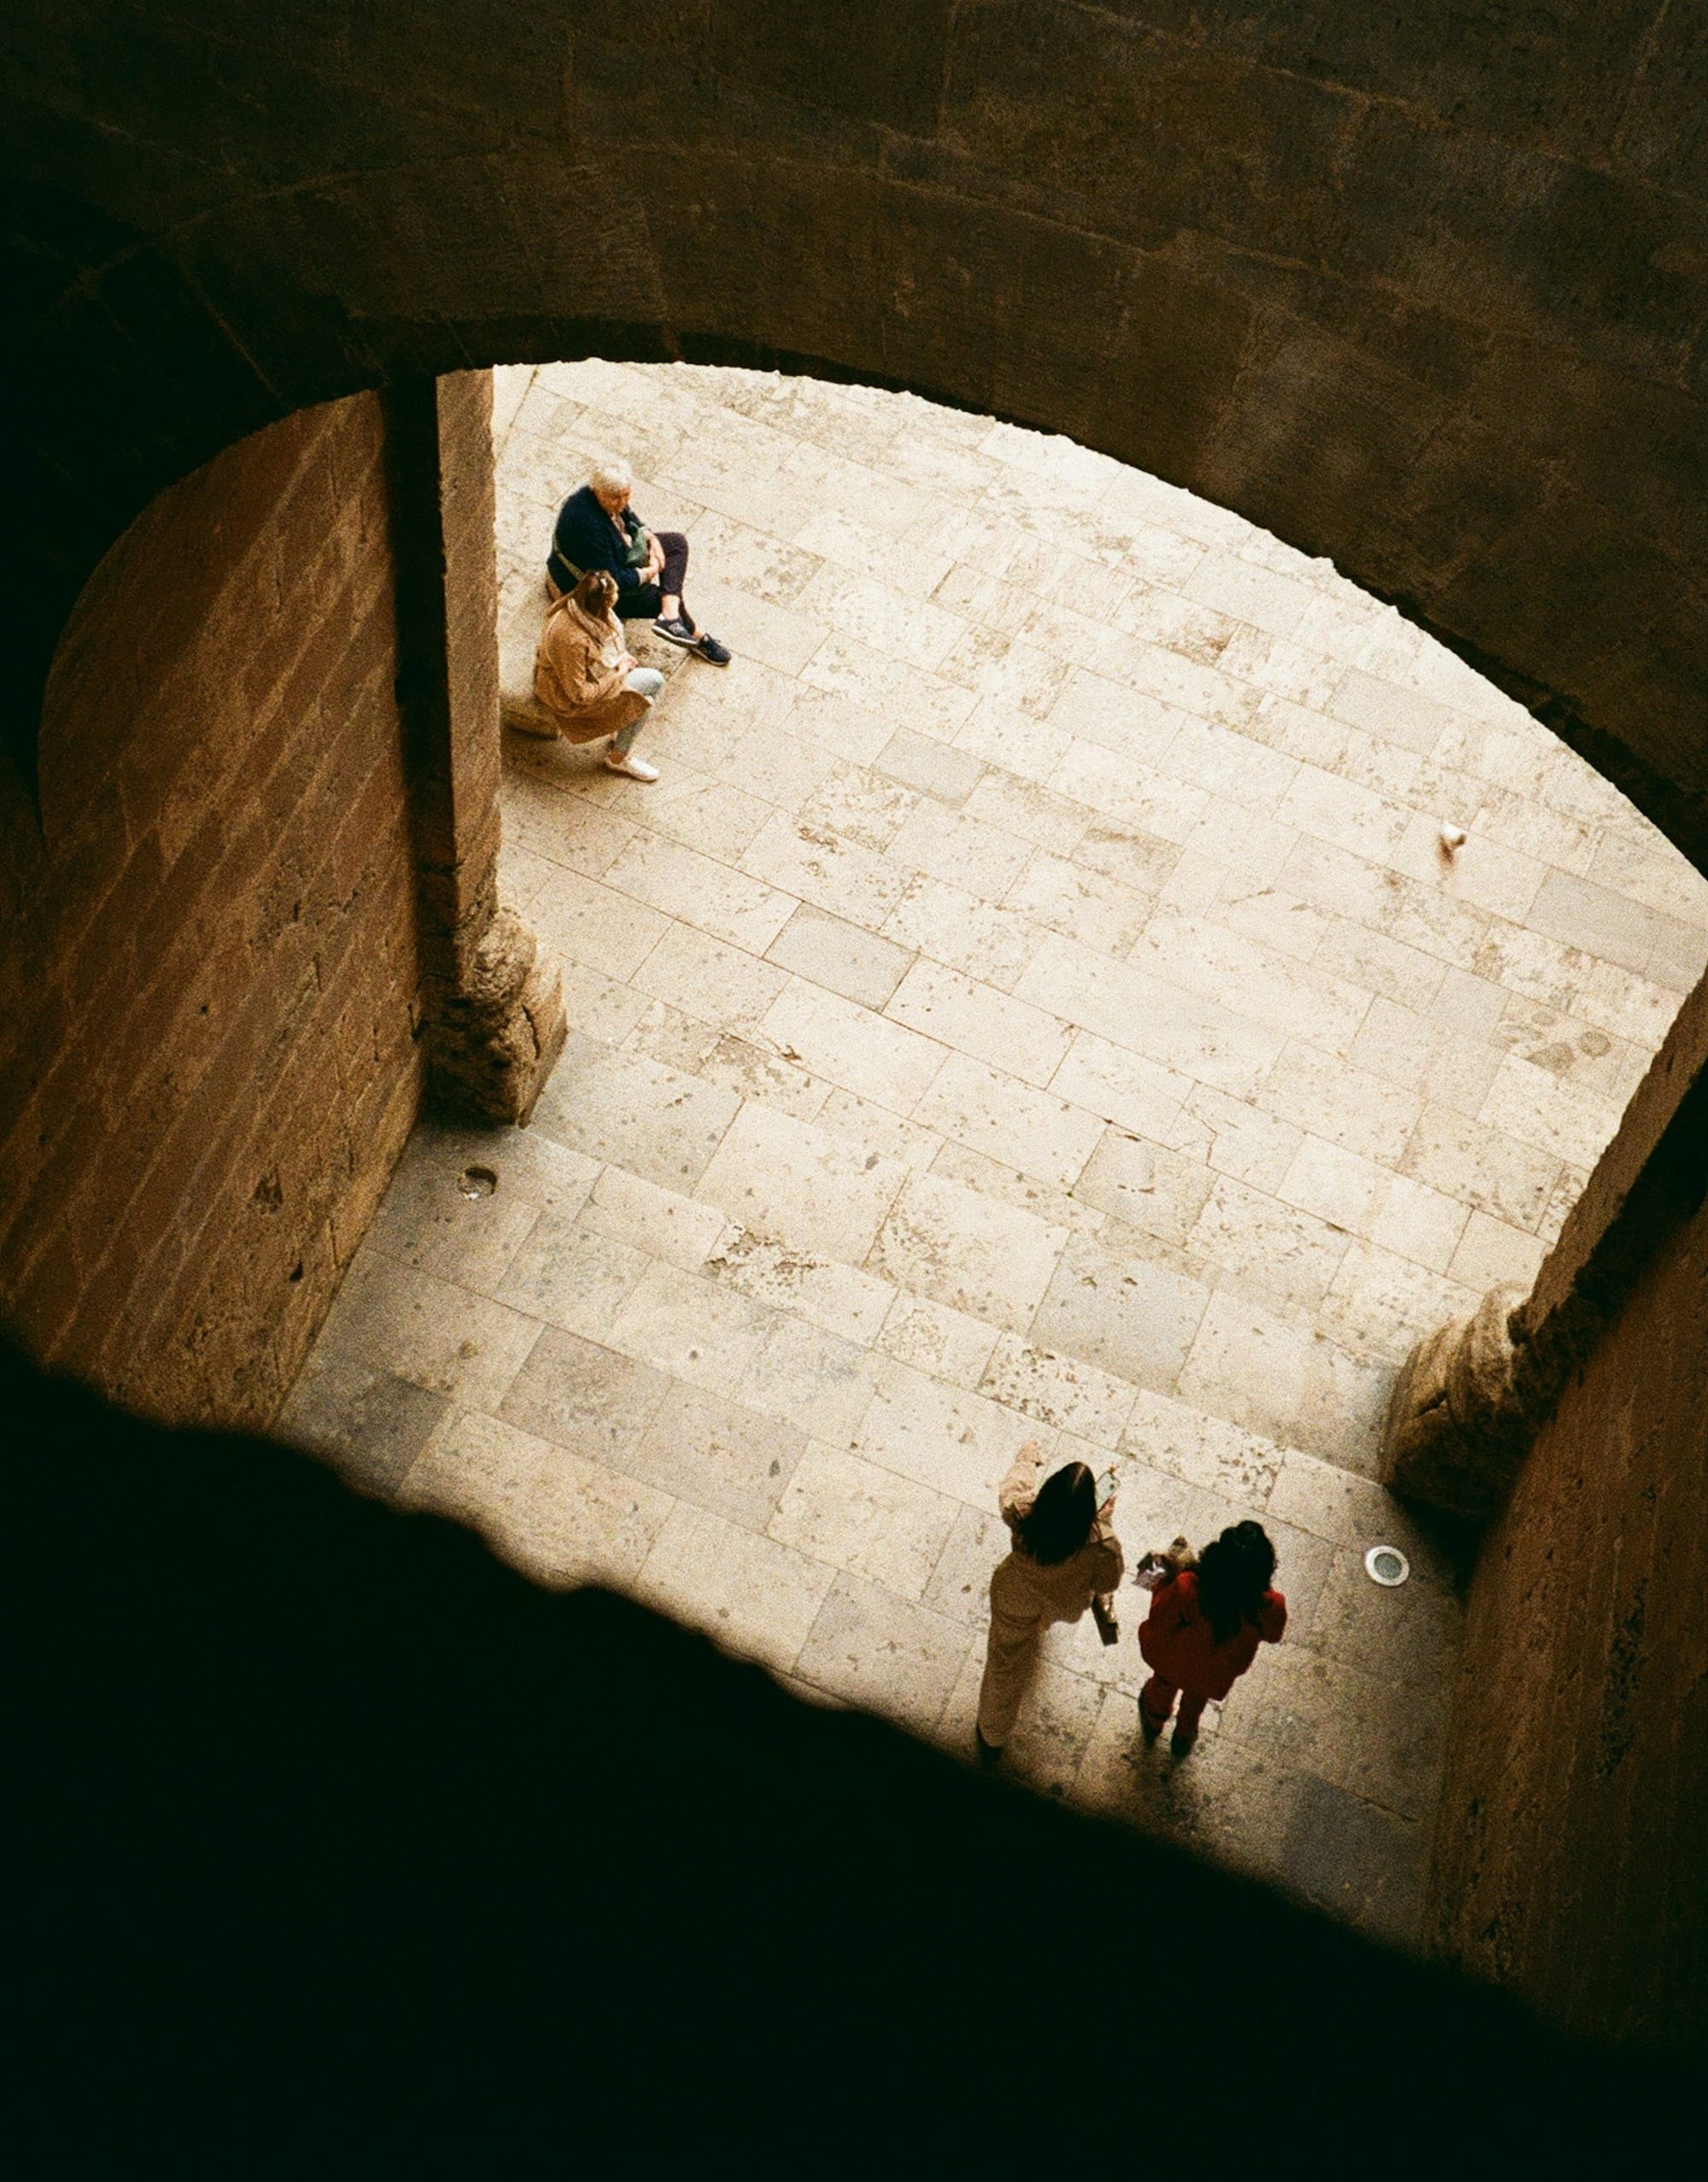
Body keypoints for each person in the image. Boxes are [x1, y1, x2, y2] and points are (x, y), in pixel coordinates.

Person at [975, 1442, 1124, 1766]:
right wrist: (1103, 1523)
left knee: (1004, 1664)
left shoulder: (1024, 1511)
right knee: (1035, 1630)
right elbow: (1108, 1583)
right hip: (1062, 1604)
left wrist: (1028, 1457)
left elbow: (1013, 1489)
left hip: (1015, 1596)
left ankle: (992, 1735)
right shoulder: (1101, 1544)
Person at [547, 459, 730, 664]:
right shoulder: (588, 524)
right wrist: (649, 572)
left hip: (615, 557)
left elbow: (629, 516)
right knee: (661, 596)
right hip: (592, 586)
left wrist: (651, 539)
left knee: (676, 544)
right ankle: (697, 636)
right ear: (598, 491)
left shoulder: (608, 497)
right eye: (616, 497)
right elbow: (614, 579)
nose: (622, 502)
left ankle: (670, 616)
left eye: (626, 495)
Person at [1138, 1519, 1285, 1757]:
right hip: (1214, 1674)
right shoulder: (1270, 1606)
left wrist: (1163, 1576)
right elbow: (1274, 1635)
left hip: (1173, 1660)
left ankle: (1154, 1721)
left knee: (1162, 1687)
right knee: (1196, 1700)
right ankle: (1184, 1735)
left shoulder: (1188, 1586)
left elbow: (1159, 1614)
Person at [532, 569, 668, 781]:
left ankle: (620, 731)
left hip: (583, 676)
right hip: (566, 697)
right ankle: (618, 758)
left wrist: (621, 659)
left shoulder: (575, 606)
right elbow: (579, 694)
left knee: (647, 687)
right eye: (613, 599)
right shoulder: (574, 640)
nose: (616, 600)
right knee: (647, 697)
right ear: (602, 604)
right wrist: (619, 672)